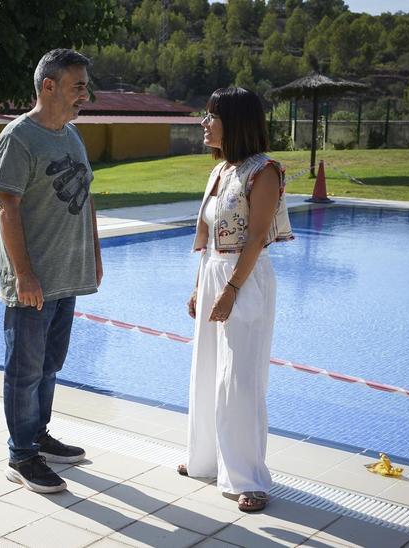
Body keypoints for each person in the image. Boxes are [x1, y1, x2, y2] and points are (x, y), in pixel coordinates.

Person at [178, 87, 294, 512]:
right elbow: (208, 239)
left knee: (240, 380)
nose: (205, 124)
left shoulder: (264, 171)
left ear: (237, 122)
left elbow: (258, 238)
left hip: (243, 280)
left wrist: (230, 291)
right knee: (207, 371)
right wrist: (199, 286)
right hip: (215, 273)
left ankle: (248, 478)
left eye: (212, 116)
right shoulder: (222, 170)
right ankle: (206, 460)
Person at [0, 48, 103, 494]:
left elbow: (88, 196)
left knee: (50, 365)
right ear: (49, 86)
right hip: (34, 281)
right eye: (78, 86)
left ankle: (37, 436)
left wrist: (94, 254)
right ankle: (21, 456)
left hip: (66, 276)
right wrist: (24, 275)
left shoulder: (71, 136)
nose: (85, 95)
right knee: (25, 369)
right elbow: (7, 207)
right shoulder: (18, 138)